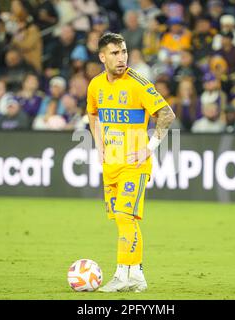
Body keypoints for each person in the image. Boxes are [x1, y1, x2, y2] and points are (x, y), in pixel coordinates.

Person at [86, 33, 175, 292]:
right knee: (122, 219)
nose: (122, 57)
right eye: (115, 53)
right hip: (110, 165)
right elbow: (93, 114)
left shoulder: (137, 83)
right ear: (102, 56)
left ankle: (121, 275)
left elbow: (167, 114)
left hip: (134, 164)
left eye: (124, 51)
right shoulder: (95, 85)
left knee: (125, 216)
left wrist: (149, 149)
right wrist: (99, 143)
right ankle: (136, 275)